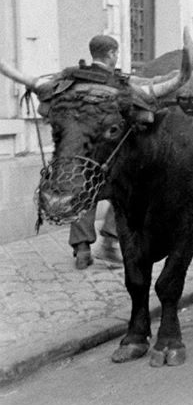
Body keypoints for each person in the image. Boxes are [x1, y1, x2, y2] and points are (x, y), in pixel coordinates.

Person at [70, 35, 122, 269]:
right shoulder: (116, 83)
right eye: (115, 53)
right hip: (110, 150)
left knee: (84, 194)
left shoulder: (73, 81)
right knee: (122, 193)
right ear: (111, 53)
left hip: (81, 150)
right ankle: (110, 242)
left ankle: (82, 250)